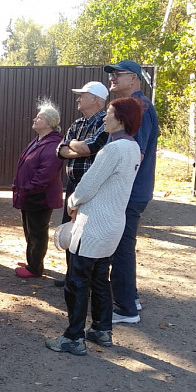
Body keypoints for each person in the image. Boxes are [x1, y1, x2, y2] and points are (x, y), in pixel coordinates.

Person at [45, 97, 144, 356]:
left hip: (94, 225)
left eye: (109, 113)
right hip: (113, 224)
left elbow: (89, 184)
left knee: (77, 281)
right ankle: (102, 328)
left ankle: (73, 337)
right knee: (100, 278)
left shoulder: (112, 150)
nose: (104, 118)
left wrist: (73, 201)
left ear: (120, 118)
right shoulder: (132, 147)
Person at [104, 60, 159, 324]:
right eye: (111, 74)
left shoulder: (140, 107)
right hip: (132, 191)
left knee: (121, 247)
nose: (112, 78)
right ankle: (130, 297)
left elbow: (134, 154)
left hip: (129, 192)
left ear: (134, 79)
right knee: (124, 244)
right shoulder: (134, 105)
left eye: (118, 74)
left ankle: (126, 309)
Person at [53, 81, 110, 287]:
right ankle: (71, 276)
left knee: (87, 232)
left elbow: (92, 147)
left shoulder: (106, 121)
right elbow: (60, 150)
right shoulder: (77, 123)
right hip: (73, 185)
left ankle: (85, 280)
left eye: (82, 95)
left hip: (93, 187)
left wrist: (74, 145)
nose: (78, 98)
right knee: (70, 228)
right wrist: (78, 147)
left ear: (95, 99)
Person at [12, 101, 64, 279]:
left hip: (39, 197)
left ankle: (34, 268)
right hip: (30, 195)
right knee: (30, 230)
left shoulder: (52, 144)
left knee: (37, 233)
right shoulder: (40, 139)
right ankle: (32, 261)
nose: (35, 119)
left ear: (49, 123)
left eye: (39, 117)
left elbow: (45, 174)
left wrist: (26, 189)